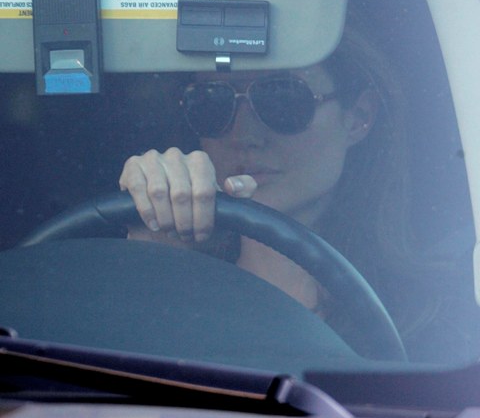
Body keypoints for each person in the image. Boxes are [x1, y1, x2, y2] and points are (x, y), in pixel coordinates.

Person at [118, 21, 462, 360]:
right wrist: (157, 263)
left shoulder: (438, 313)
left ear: (358, 116)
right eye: (211, 103)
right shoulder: (180, 291)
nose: (244, 136)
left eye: (283, 100)